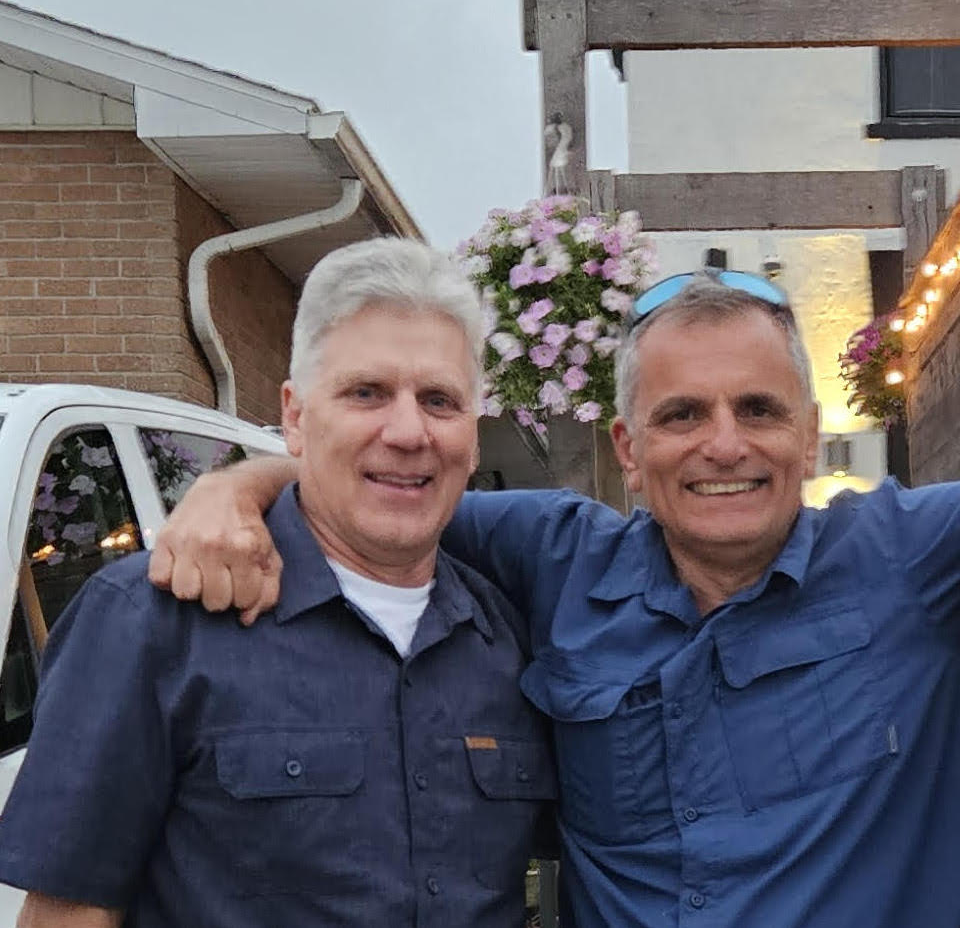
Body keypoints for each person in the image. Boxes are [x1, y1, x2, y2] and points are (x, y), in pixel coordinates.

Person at [147, 241, 960, 928]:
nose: (721, 443)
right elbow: (387, 478)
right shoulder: (547, 553)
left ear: (810, 431)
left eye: (756, 409)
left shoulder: (923, 550)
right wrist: (238, 488)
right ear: (627, 449)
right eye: (679, 414)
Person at [0, 239, 554, 927]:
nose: (409, 430)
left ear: (474, 434)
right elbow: (68, 913)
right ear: (294, 415)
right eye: (366, 392)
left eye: (439, 399)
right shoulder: (151, 621)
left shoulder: (509, 637)